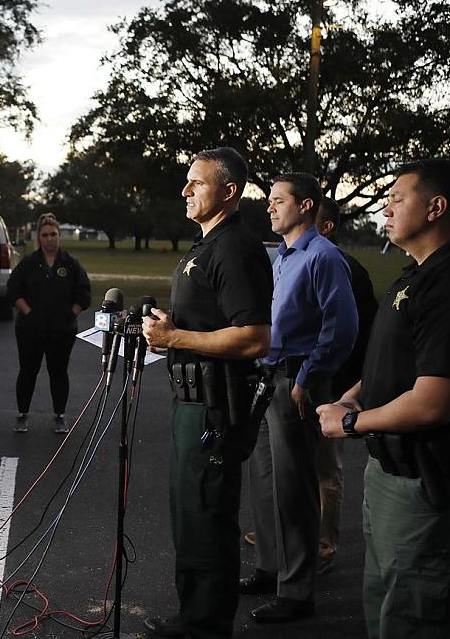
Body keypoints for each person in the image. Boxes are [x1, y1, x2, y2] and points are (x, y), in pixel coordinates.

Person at [317, 159, 450, 639]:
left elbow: (434, 402)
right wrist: (355, 395)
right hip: (395, 472)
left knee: (417, 613)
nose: (385, 207)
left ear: (436, 207)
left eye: (397, 198)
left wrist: (349, 425)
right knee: (389, 602)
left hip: (431, 482)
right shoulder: (420, 275)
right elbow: (402, 361)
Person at [140, 147, 273, 639]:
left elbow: (255, 336)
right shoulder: (208, 245)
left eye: (196, 182)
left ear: (229, 191)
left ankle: (205, 625)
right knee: (190, 514)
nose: (185, 190)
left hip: (216, 406)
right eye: (187, 182)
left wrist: (175, 338)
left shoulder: (235, 247)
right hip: (192, 400)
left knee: (207, 514)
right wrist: (169, 329)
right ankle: (194, 615)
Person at [241, 173, 357, 624]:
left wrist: (308, 377)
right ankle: (270, 569)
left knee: (294, 489)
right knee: (267, 481)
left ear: (306, 206)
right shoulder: (283, 256)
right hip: (270, 376)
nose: (269, 207)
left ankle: (296, 592)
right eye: (268, 201)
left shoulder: (323, 257)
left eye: (278, 201)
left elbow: (342, 327)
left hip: (297, 380)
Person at [313, 196, 377, 574]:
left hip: (335, 385)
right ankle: (289, 530)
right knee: (293, 463)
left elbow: (361, 336)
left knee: (325, 470)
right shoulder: (301, 261)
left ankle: (324, 543)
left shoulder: (349, 270)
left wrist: (349, 392)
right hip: (304, 381)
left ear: (328, 226)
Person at [6, 212, 91, 434]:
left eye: (53, 234)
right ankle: (22, 414)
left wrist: (70, 315)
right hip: (30, 330)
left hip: (61, 331)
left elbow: (84, 294)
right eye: (45, 235)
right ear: (39, 237)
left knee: (59, 373)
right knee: (27, 372)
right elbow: (13, 290)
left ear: (59, 235)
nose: (49, 238)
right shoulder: (29, 263)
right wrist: (28, 313)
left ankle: (60, 415)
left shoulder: (70, 263)